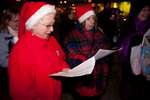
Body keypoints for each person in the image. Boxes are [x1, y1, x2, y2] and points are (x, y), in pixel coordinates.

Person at [8, 1, 70, 100]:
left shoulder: (51, 40)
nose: (52, 29)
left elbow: (60, 59)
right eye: (48, 25)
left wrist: (64, 68)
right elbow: (19, 93)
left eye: (52, 24)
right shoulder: (20, 51)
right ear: (33, 25)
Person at [63, 4, 110, 100]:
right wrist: (84, 59)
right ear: (82, 20)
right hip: (83, 78)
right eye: (88, 19)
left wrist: (106, 53)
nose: (92, 22)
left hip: (98, 75)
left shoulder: (99, 33)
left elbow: (106, 47)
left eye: (93, 18)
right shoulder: (72, 35)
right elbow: (69, 55)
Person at [118, 2, 150, 100]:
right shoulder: (128, 25)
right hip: (128, 65)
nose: (147, 13)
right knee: (129, 90)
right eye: (143, 10)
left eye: (148, 10)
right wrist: (134, 39)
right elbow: (120, 45)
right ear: (136, 11)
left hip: (146, 66)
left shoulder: (149, 26)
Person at [0, 8, 19, 99]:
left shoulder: (20, 32)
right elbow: (3, 61)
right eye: (16, 21)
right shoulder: (3, 36)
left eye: (20, 20)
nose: (19, 23)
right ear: (7, 21)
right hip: (8, 77)